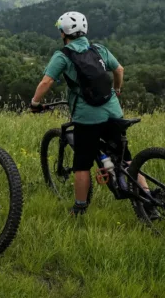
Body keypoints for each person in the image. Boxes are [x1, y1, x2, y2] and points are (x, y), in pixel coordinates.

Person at [29, 11, 149, 217]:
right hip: (113, 112)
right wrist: (117, 91)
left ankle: (79, 208)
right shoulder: (99, 49)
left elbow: (46, 82)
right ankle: (148, 200)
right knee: (126, 159)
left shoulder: (63, 55)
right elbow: (119, 70)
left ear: (63, 33)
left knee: (82, 164)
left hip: (87, 117)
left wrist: (35, 103)